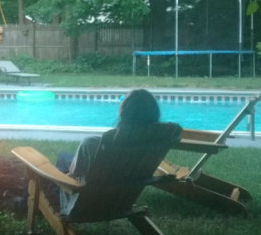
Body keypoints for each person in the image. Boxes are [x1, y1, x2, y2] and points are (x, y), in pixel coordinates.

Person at [53, 89, 182, 214]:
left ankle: (51, 196)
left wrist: (55, 176)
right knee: (66, 157)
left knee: (63, 159)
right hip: (121, 199)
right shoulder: (160, 138)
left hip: (87, 201)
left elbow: (73, 175)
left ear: (122, 112)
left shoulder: (92, 144)